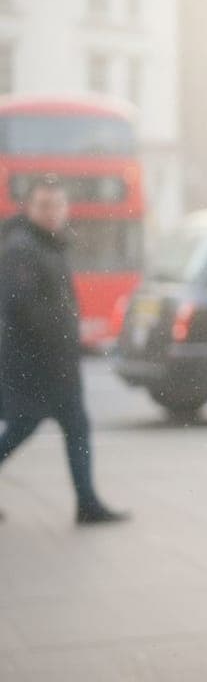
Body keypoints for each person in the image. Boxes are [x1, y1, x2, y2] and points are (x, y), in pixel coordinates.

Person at [0, 175, 128, 524]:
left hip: (57, 364)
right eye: (44, 205)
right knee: (23, 427)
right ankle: (88, 503)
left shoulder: (49, 243)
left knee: (74, 428)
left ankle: (88, 503)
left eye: (58, 205)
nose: (52, 212)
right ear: (30, 207)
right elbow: (21, 307)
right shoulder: (22, 248)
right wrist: (62, 337)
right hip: (35, 365)